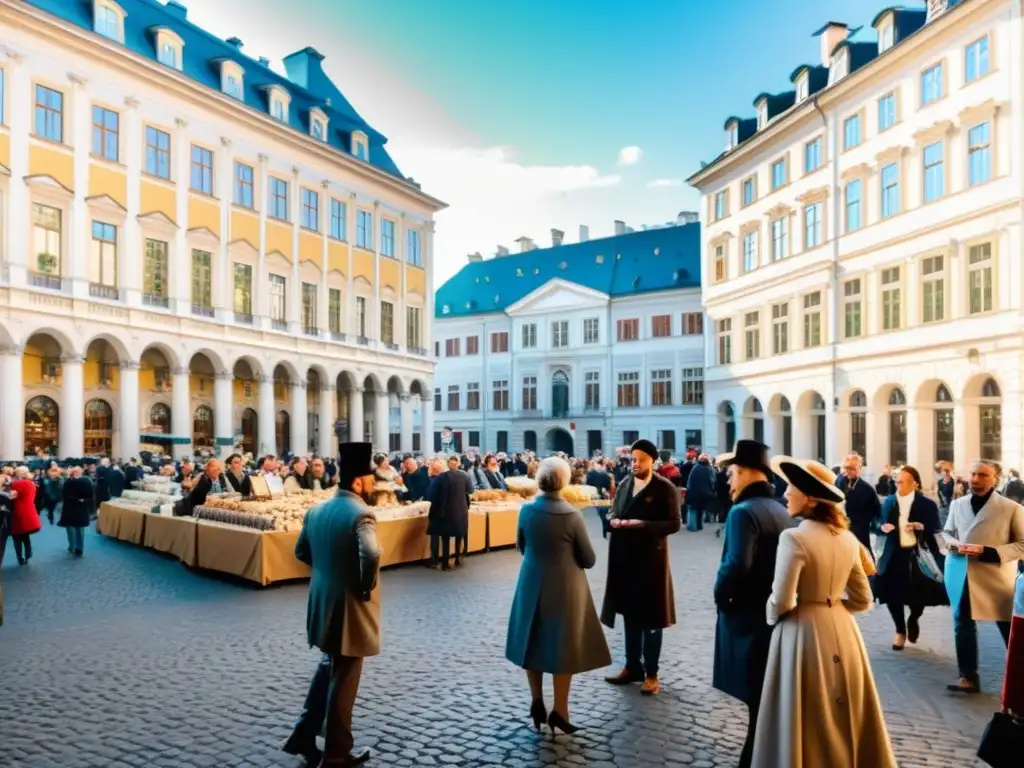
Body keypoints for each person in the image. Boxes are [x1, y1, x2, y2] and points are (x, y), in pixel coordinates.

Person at [753, 457, 895, 768]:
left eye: (790, 488)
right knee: (848, 709)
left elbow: (783, 600)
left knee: (804, 713)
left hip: (802, 631)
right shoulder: (847, 537)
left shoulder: (794, 537)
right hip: (843, 630)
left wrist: (770, 616)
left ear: (809, 497)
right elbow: (862, 598)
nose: (785, 493)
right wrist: (833, 607)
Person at [285, 443, 379, 768]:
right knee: (345, 676)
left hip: (321, 601)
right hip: (349, 606)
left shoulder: (316, 511)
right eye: (370, 479)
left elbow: (300, 552)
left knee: (329, 666)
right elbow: (372, 553)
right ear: (356, 482)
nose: (374, 484)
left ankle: (303, 734)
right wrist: (365, 584)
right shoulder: (361, 514)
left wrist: (326, 570)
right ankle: (337, 752)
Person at [505, 457, 611, 735]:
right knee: (562, 646)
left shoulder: (526, 511)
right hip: (565, 587)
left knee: (533, 640)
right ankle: (560, 709)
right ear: (564, 482)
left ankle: (536, 700)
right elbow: (588, 559)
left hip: (531, 582)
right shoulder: (572, 515)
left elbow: (521, 546)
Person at [712, 440, 794, 768]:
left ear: (747, 473)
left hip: (747, 614)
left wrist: (720, 596)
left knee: (756, 698)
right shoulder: (780, 509)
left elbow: (735, 565)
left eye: (733, 474)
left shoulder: (743, 512)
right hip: (770, 613)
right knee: (763, 700)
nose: (729, 481)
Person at [602, 438, 681, 696]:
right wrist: (612, 519)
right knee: (630, 617)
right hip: (625, 561)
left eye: (640, 460)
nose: (635, 464)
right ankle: (632, 666)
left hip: (652, 562)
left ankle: (652, 673)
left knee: (653, 618)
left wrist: (643, 525)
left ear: (652, 461)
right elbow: (614, 512)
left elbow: (673, 524)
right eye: (633, 459)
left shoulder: (664, 488)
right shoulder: (625, 484)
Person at [943, 459, 1024, 693]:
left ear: (995, 480)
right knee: (962, 624)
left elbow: (1022, 544)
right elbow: (947, 532)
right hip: (962, 572)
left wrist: (992, 552)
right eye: (973, 474)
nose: (976, 480)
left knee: (1010, 628)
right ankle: (967, 676)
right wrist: (952, 544)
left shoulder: (1012, 508)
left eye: (982, 475)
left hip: (996, 577)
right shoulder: (958, 504)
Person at [874, 466, 946, 650]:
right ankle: (900, 630)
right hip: (893, 554)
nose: (898, 485)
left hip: (916, 554)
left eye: (902, 481)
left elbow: (936, 529)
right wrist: (882, 527)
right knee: (890, 593)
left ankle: (913, 619)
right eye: (897, 481)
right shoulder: (889, 501)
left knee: (918, 595)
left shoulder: (927, 505)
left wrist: (921, 527)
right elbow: (878, 523)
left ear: (914, 483)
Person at [425, 455, 473, 570]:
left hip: (445, 512)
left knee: (445, 538)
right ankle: (457, 557)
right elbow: (470, 490)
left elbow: (430, 495)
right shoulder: (464, 475)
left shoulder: (441, 477)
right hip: (461, 511)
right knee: (459, 535)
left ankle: (444, 563)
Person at [837, 453, 881, 559]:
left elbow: (877, 512)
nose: (849, 471)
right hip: (840, 533)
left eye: (853, 468)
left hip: (860, 534)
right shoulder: (837, 485)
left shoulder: (867, 489)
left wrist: (877, 526)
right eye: (846, 468)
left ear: (859, 469)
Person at [60, 466, 95, 556]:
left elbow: (64, 495)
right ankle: (79, 547)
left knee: (70, 527)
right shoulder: (86, 481)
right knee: (79, 528)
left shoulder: (68, 482)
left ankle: (72, 546)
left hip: (70, 508)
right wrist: (84, 501)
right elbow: (91, 495)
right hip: (80, 507)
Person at [10, 467, 40, 566]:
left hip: (17, 511)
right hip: (29, 511)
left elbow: (11, 497)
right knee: (25, 535)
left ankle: (20, 557)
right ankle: (28, 553)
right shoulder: (32, 484)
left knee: (16, 536)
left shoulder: (16, 484)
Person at [684, 453, 716, 531]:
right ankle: (699, 525)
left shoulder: (695, 468)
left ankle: (693, 526)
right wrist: (711, 491)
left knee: (693, 509)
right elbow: (712, 481)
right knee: (701, 510)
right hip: (705, 493)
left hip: (694, 492)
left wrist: (688, 491)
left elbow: (690, 481)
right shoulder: (710, 469)